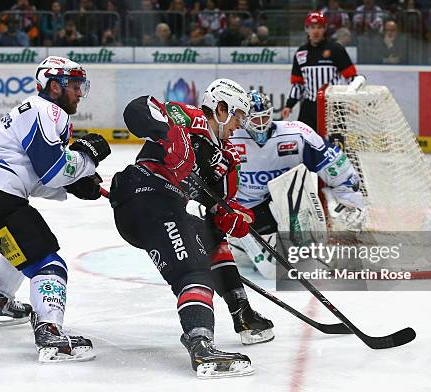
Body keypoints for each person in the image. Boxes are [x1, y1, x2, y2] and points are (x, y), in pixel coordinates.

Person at [0, 56, 111, 362]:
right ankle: (50, 335)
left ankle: (0, 302)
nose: (79, 92)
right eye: (74, 86)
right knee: (49, 264)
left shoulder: (27, 112)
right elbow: (53, 170)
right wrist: (86, 160)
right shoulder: (45, 109)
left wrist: (73, 184)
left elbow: (33, 177)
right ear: (53, 87)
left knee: (19, 244)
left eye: (81, 86)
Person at [110, 79, 274, 378]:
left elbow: (217, 212)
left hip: (167, 208)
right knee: (193, 272)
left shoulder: (226, 159)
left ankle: (242, 312)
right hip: (143, 194)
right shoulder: (189, 118)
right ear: (221, 108)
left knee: (211, 237)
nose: (240, 126)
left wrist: (229, 216)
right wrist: (169, 134)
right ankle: (200, 345)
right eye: (237, 117)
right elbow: (138, 109)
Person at [230, 91, 364, 271]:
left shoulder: (297, 134)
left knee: (295, 186)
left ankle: (301, 246)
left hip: (290, 210)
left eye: (265, 117)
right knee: (270, 270)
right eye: (255, 119)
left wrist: (351, 201)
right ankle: (243, 243)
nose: (262, 125)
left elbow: (335, 165)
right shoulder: (230, 138)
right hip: (247, 212)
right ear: (244, 119)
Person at [282, 11, 357, 131]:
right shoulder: (301, 53)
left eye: (319, 27)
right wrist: (289, 105)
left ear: (325, 29)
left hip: (333, 105)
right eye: (312, 27)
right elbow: (298, 84)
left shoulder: (336, 49)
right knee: (304, 142)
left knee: (336, 143)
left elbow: (352, 77)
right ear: (306, 29)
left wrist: (353, 100)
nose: (315, 31)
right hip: (310, 107)